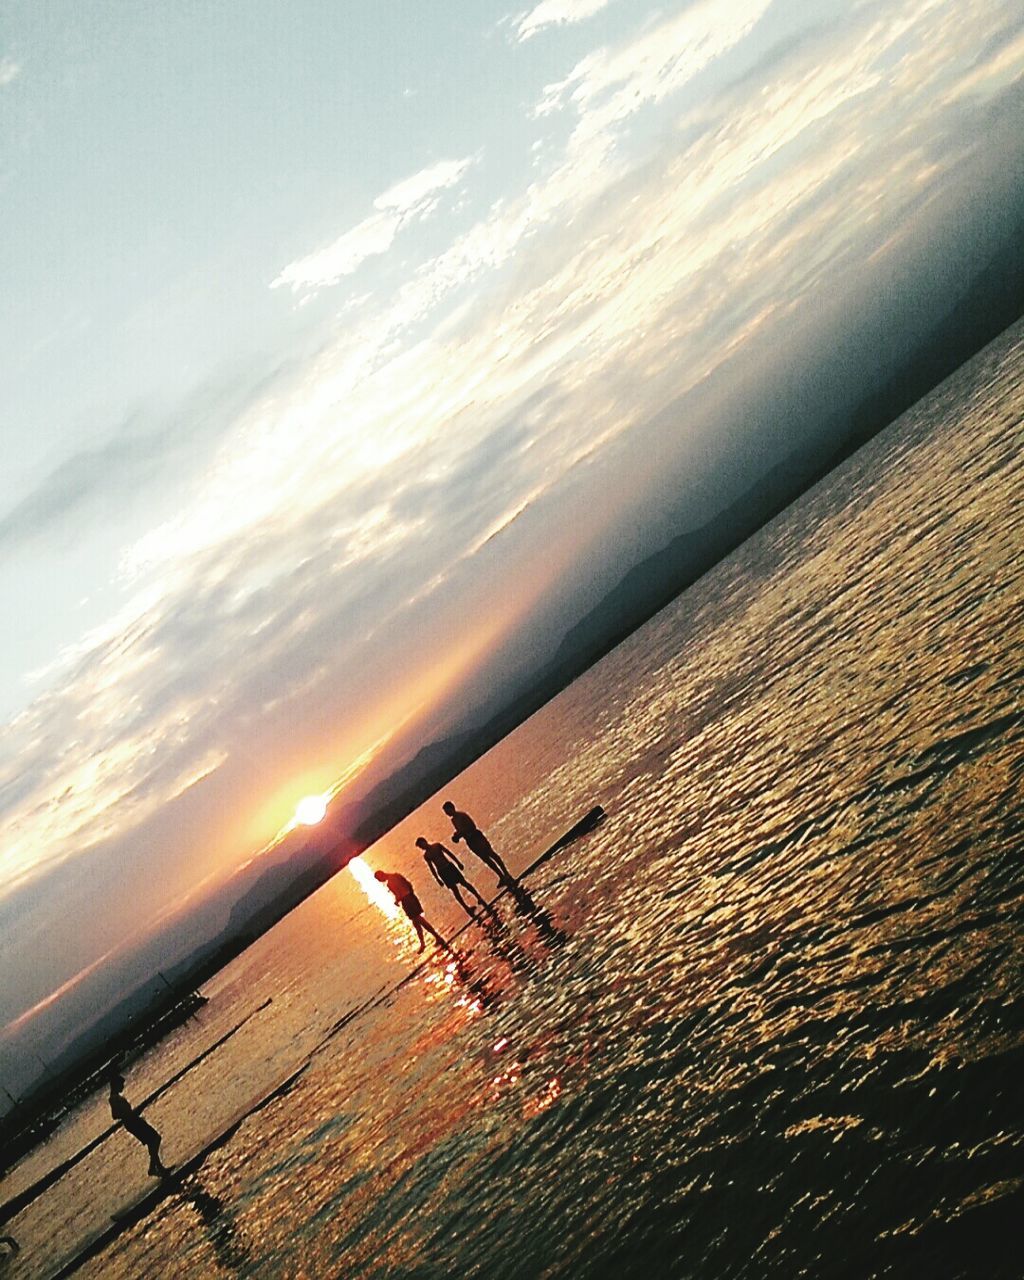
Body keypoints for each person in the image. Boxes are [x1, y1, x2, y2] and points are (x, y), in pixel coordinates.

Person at [108, 1067, 169, 1178]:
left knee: (152, 1141)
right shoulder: (114, 1098)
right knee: (155, 1139)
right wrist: (128, 1114)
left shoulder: (116, 1097)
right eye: (121, 1085)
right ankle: (153, 1167)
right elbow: (115, 1115)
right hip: (132, 1122)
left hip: (133, 1120)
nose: (123, 1087)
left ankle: (158, 1168)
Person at [416, 836, 494, 919]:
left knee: (464, 883)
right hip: (442, 872)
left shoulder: (437, 846)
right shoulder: (427, 856)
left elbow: (449, 853)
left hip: (449, 867)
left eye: (422, 845)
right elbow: (431, 868)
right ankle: (466, 908)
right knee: (455, 890)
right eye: (421, 847)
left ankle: (479, 897)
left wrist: (458, 862)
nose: (422, 847)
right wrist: (437, 879)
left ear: (425, 841)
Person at [374, 870, 451, 953]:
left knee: (420, 921)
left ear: (381, 876)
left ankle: (437, 938)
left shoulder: (390, 884)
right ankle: (424, 943)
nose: (380, 881)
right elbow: (408, 884)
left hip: (407, 901)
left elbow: (398, 894)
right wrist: (411, 895)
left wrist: (396, 901)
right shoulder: (396, 875)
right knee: (416, 923)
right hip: (411, 897)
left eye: (379, 879)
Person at [442, 800, 515, 886]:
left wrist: (461, 833)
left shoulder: (462, 815)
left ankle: (506, 873)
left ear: (452, 808)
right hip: (470, 841)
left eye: (447, 811)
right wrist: (457, 836)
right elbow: (460, 831)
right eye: (446, 812)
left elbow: (472, 826)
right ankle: (501, 876)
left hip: (476, 837)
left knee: (491, 854)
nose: (447, 814)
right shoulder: (453, 820)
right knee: (486, 859)